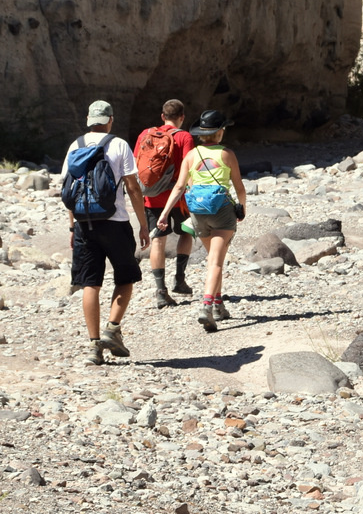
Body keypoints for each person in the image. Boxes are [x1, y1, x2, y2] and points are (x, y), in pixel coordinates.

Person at [61, 99, 150, 364]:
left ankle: (93, 347)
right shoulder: (119, 144)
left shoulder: (74, 145)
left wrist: (72, 226)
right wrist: (143, 224)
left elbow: (68, 189)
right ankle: (112, 328)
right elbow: (133, 187)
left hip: (83, 224)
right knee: (125, 277)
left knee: (90, 283)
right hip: (115, 221)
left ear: (88, 120)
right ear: (110, 119)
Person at [157, 109, 246, 332]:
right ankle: (206, 307)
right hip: (222, 211)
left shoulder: (191, 155)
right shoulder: (227, 154)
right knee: (215, 262)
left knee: (212, 258)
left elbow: (179, 187)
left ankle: (219, 306)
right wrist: (242, 207)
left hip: (197, 212)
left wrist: (164, 213)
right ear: (220, 132)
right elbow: (239, 187)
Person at [133, 99, 196, 308]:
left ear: (162, 116)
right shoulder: (184, 136)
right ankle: (179, 279)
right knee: (186, 233)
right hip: (178, 199)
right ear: (182, 117)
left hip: (151, 197)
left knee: (158, 241)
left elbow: (137, 164)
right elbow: (189, 167)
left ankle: (160, 291)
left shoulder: (145, 135)